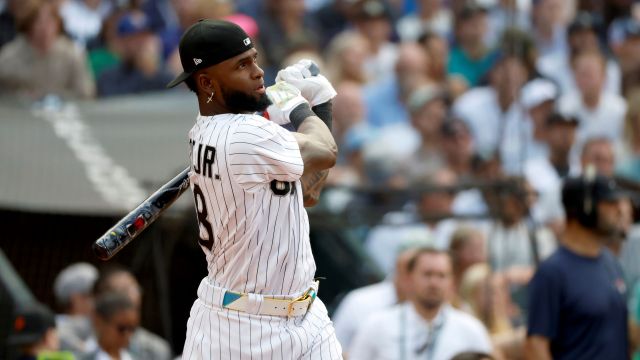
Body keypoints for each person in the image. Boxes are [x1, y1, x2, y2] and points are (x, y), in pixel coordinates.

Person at [165, 19, 340, 358]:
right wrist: (299, 104)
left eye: (255, 60)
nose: (259, 72)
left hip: (306, 317)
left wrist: (323, 108)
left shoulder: (209, 132)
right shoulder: (244, 134)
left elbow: (307, 193)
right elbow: (327, 151)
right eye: (241, 66)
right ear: (206, 82)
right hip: (242, 329)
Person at [525, 172, 630, 359]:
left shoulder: (610, 262)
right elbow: (536, 346)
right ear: (585, 207)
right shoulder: (552, 272)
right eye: (609, 203)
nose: (620, 210)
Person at [349, 247, 493, 360]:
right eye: (427, 274)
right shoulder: (378, 324)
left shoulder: (471, 330)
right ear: (410, 278)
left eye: (441, 275)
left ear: (452, 282)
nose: (434, 283)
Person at [53, 262, 99, 356]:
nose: (97, 300)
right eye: (91, 295)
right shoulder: (58, 328)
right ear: (75, 299)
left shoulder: (96, 323)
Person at [84, 292, 139, 360]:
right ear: (99, 322)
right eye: (122, 328)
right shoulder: (82, 354)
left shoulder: (138, 355)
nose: (127, 335)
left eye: (132, 329)